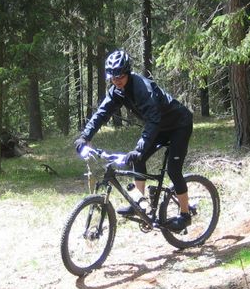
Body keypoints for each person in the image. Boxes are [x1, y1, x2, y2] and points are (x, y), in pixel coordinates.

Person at [74, 50, 194, 231]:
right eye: (113, 77)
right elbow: (101, 113)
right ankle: (139, 204)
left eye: (120, 76)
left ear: (128, 73)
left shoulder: (141, 88)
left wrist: (139, 148)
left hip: (179, 125)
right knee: (138, 159)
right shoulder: (117, 91)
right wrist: (85, 136)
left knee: (173, 170)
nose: (116, 80)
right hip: (160, 127)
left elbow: (153, 119)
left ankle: (185, 215)